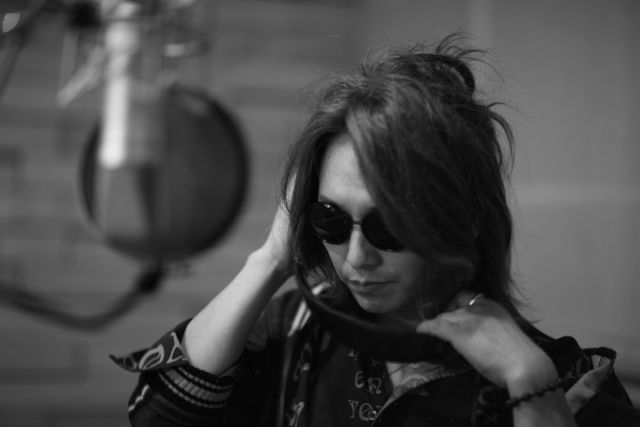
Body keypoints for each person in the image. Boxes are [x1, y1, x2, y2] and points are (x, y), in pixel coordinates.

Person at [112, 35, 638, 426]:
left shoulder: (571, 379)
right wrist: (271, 257)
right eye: (332, 219)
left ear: (463, 218)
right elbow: (159, 418)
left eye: (390, 226)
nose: (357, 256)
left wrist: (531, 384)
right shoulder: (293, 329)